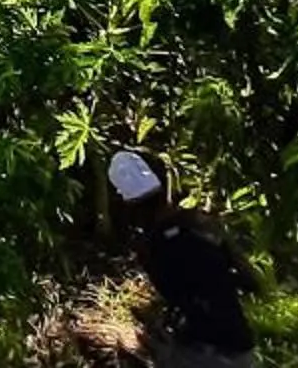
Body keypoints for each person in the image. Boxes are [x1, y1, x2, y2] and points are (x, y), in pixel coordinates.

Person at [111, 150, 258, 368]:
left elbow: (180, 294)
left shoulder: (153, 247)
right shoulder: (200, 226)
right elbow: (248, 280)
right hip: (238, 344)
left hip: (204, 351)